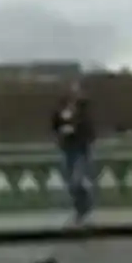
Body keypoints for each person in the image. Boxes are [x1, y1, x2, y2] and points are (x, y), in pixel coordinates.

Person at [51, 81, 96, 225]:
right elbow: (55, 126)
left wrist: (75, 131)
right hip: (67, 149)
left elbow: (90, 132)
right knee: (70, 182)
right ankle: (80, 210)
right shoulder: (61, 110)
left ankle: (85, 206)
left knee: (76, 181)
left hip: (81, 150)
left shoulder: (84, 111)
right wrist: (61, 129)